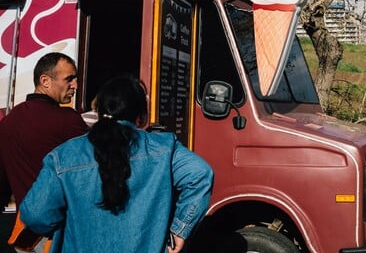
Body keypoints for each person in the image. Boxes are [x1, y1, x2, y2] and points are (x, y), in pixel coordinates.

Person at [19, 75, 214, 253]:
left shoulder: (64, 156)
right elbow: (201, 174)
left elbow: (35, 214)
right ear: (141, 117)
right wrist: (179, 232)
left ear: (98, 112)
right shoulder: (164, 148)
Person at [0, 52, 88, 252]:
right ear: (45, 81)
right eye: (69, 79)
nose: (75, 85)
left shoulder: (9, 122)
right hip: (64, 235)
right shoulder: (68, 121)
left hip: (26, 236)